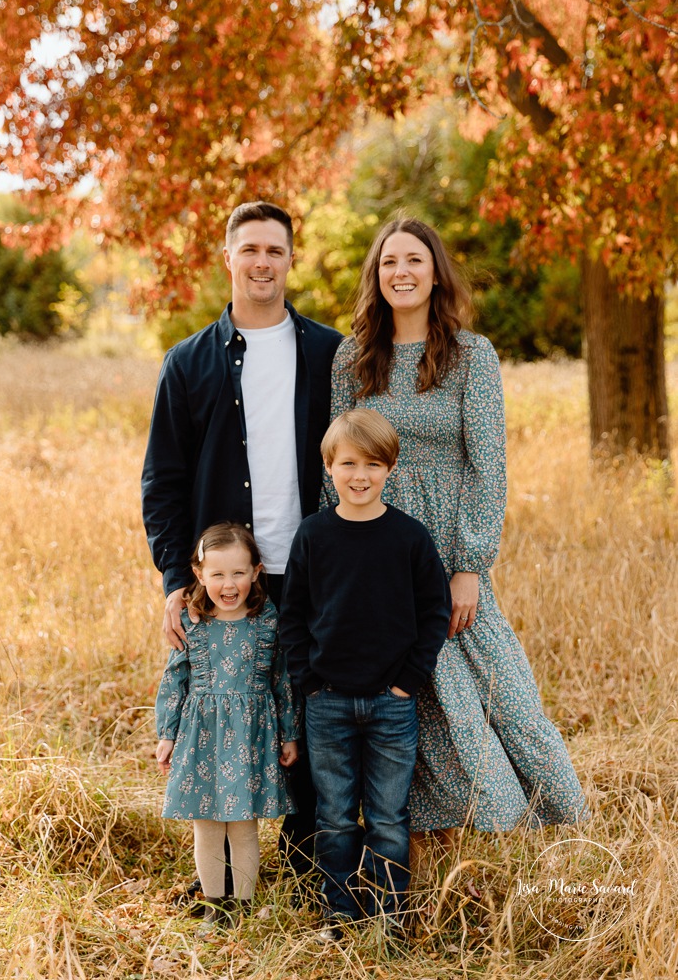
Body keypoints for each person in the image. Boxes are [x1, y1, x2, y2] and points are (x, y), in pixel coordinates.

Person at [329, 218, 587, 844]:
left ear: (436, 271)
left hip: (448, 549)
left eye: (415, 260)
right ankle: (440, 846)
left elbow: (489, 463)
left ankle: (550, 825)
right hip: (377, 547)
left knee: (502, 692)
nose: (402, 273)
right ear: (376, 275)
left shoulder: (472, 355)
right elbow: (336, 460)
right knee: (418, 700)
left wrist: (470, 564)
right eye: (389, 262)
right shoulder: (352, 357)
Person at [142, 201, 342, 895]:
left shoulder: (327, 352)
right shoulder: (189, 363)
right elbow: (162, 482)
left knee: (311, 719)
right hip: (234, 581)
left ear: (291, 259)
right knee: (228, 716)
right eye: (248, 248)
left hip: (316, 572)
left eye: (274, 250)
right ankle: (220, 879)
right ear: (226, 258)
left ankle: (307, 865)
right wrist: (176, 578)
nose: (261, 262)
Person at [279, 408, 451, 941]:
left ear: (390, 468)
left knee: (387, 818)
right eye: (348, 463)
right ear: (329, 466)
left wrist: (407, 683)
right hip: (327, 702)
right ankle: (339, 913)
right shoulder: (313, 536)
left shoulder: (409, 537)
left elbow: (434, 615)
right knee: (333, 814)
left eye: (373, 464)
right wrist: (309, 682)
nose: (360, 475)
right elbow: (293, 617)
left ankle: (389, 918)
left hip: (391, 702)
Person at [155, 522, 300, 929]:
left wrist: (290, 734)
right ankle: (214, 903)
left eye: (238, 572)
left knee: (242, 825)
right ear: (199, 575)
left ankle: (243, 906)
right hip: (201, 733)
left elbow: (282, 679)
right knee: (207, 824)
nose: (228, 584)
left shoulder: (267, 620)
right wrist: (167, 733)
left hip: (252, 735)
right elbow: (174, 679)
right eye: (217, 574)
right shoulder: (194, 620)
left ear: (256, 571)